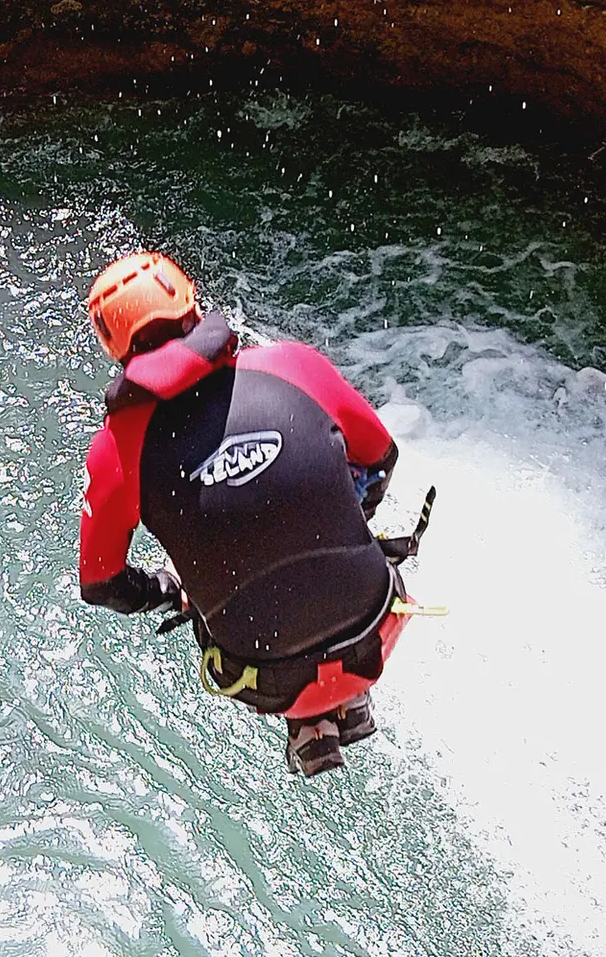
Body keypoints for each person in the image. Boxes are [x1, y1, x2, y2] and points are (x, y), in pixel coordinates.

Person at [77, 251, 422, 777]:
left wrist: (173, 588)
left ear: (114, 349)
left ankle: (310, 721)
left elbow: (102, 584)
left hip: (263, 681)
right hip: (378, 628)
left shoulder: (117, 450)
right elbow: (380, 458)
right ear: (193, 307)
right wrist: (341, 516)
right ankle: (348, 698)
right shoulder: (293, 365)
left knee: (231, 593)